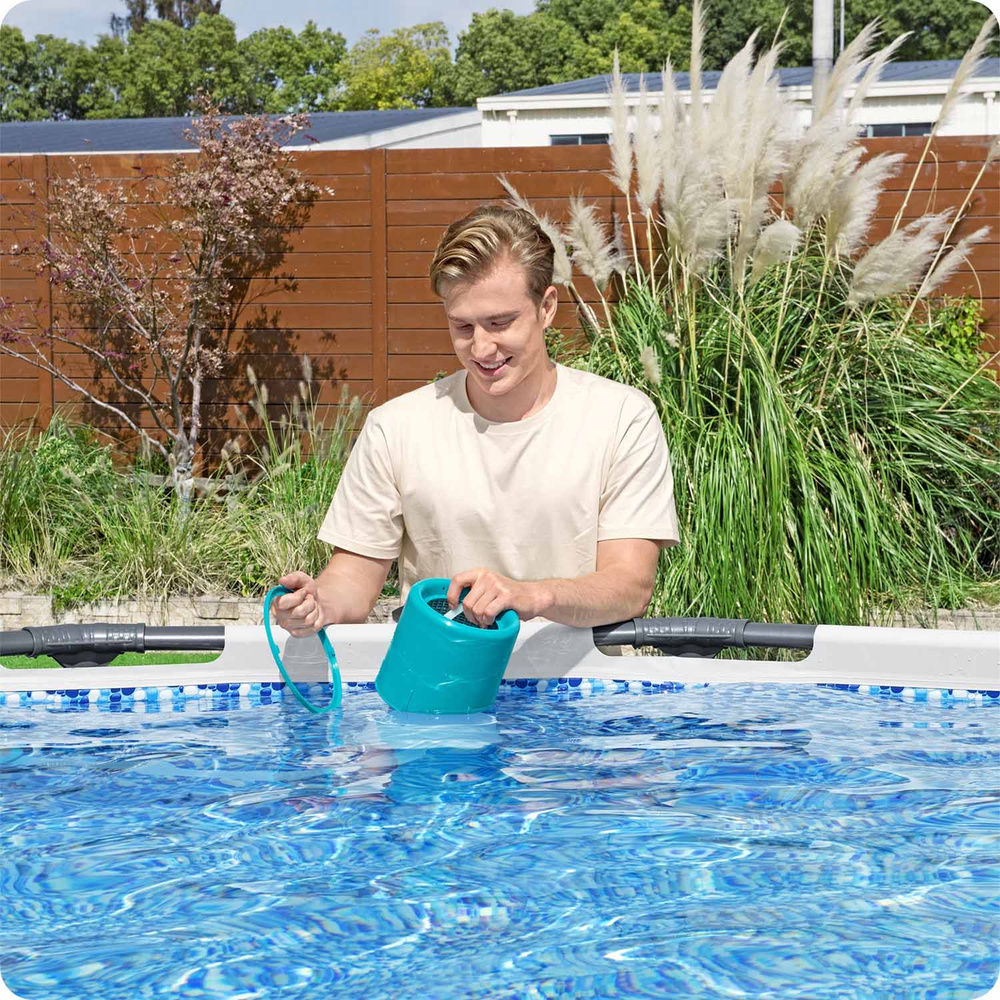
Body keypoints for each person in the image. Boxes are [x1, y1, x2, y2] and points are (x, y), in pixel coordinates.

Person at [274, 205, 678, 635]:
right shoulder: (394, 428)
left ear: (546, 307)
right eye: (463, 326)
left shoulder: (621, 418)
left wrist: (531, 597)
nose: (482, 349)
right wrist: (317, 604)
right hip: (440, 670)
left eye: (499, 322)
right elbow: (353, 578)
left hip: (579, 673)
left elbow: (629, 585)